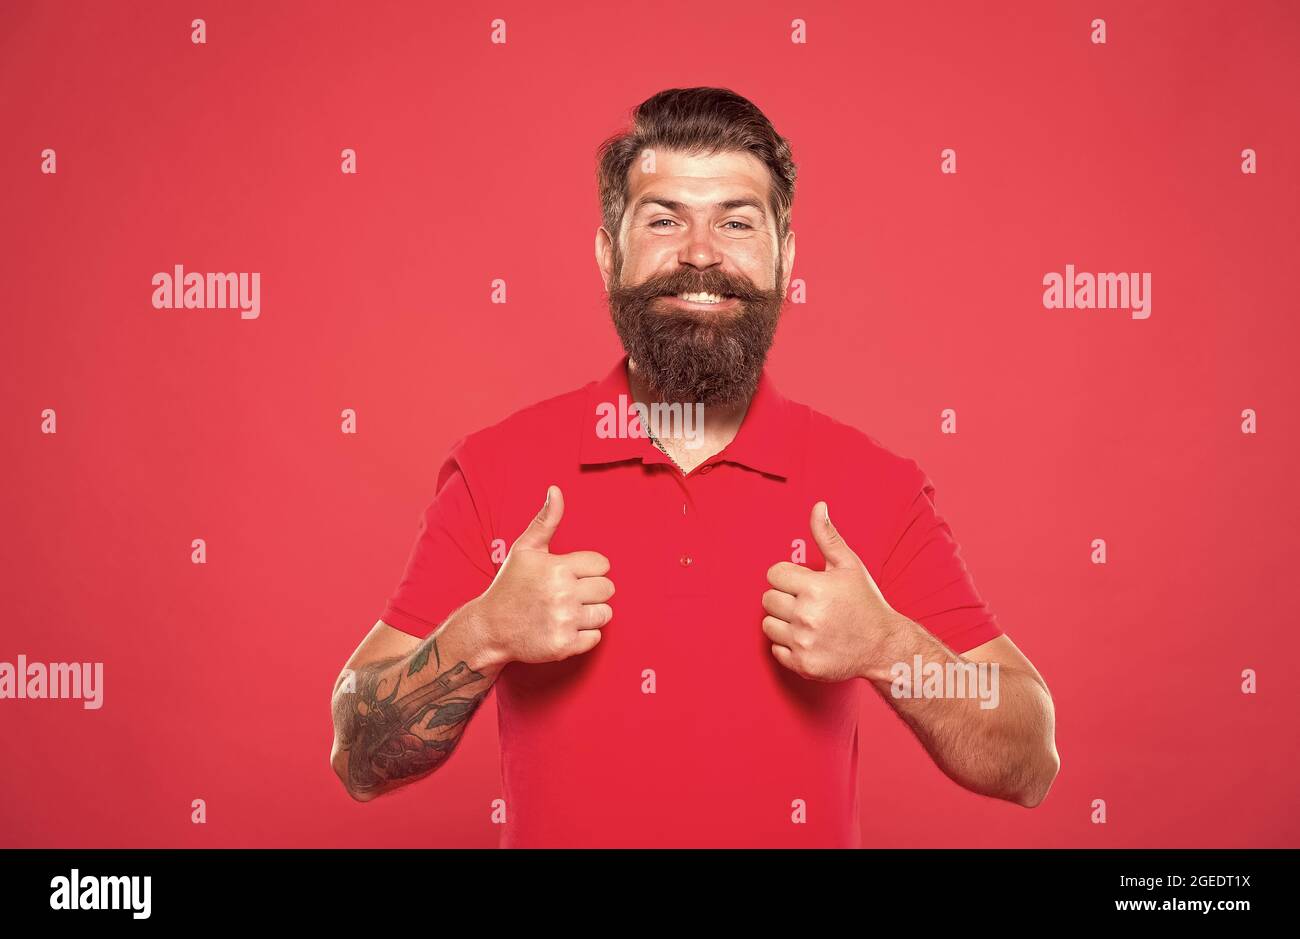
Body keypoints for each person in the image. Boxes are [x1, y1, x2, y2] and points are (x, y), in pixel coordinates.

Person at [329, 87, 1059, 848]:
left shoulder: (874, 485)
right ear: (609, 252)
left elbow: (1029, 756)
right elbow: (357, 751)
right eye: (665, 219)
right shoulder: (498, 469)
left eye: (737, 222)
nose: (702, 253)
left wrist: (888, 647)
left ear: (787, 255)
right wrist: (482, 631)